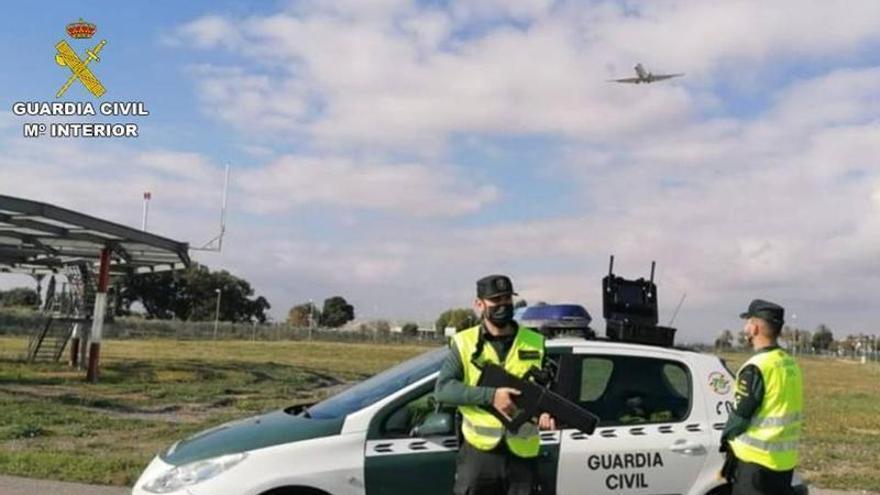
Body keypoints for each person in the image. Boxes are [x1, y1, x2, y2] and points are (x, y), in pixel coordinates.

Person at [435, 274, 556, 495]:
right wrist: (491, 396)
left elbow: (548, 390)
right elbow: (443, 390)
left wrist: (547, 413)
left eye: (507, 299)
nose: (503, 305)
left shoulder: (535, 342)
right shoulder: (464, 343)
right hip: (480, 456)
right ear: (479, 304)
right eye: (496, 300)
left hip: (523, 457)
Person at [721, 299, 804, 495]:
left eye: (747, 321)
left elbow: (740, 418)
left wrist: (725, 437)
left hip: (755, 466)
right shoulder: (789, 363)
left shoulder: (757, 367)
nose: (745, 327)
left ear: (755, 327)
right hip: (783, 465)